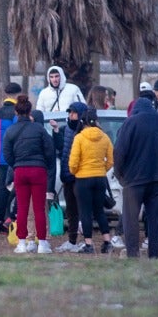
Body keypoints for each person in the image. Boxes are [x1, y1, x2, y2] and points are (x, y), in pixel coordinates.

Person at [114, 96, 158, 259]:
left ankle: (133, 253)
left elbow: (119, 151)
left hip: (134, 179)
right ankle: (154, 254)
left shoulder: (131, 123)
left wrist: (120, 175)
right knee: (155, 219)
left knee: (131, 218)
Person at [2, 96, 56, 254]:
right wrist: (45, 164)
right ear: (29, 111)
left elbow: (7, 153)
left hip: (20, 170)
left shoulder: (11, 130)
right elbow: (49, 150)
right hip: (38, 170)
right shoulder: (39, 129)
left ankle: (22, 243)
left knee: (22, 208)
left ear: (16, 111)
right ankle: (43, 244)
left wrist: (16, 164)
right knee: (39, 208)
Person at [68, 106, 115, 254]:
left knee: (85, 212)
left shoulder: (79, 138)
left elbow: (73, 162)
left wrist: (74, 172)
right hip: (100, 178)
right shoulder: (105, 137)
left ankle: (89, 244)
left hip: (83, 179)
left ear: (83, 121)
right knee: (99, 211)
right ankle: (107, 241)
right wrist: (102, 170)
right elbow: (111, 160)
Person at [55, 102, 91, 251]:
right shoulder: (66, 129)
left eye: (74, 113)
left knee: (83, 210)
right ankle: (72, 240)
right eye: (70, 113)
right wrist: (56, 132)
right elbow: (61, 149)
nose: (71, 115)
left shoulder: (85, 131)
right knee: (71, 210)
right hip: (68, 175)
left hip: (81, 176)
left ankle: (86, 241)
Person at [0, 82, 23, 232]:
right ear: (18, 94)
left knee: (1, 187)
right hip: (13, 157)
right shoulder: (16, 114)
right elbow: (19, 135)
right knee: (13, 187)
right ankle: (9, 218)